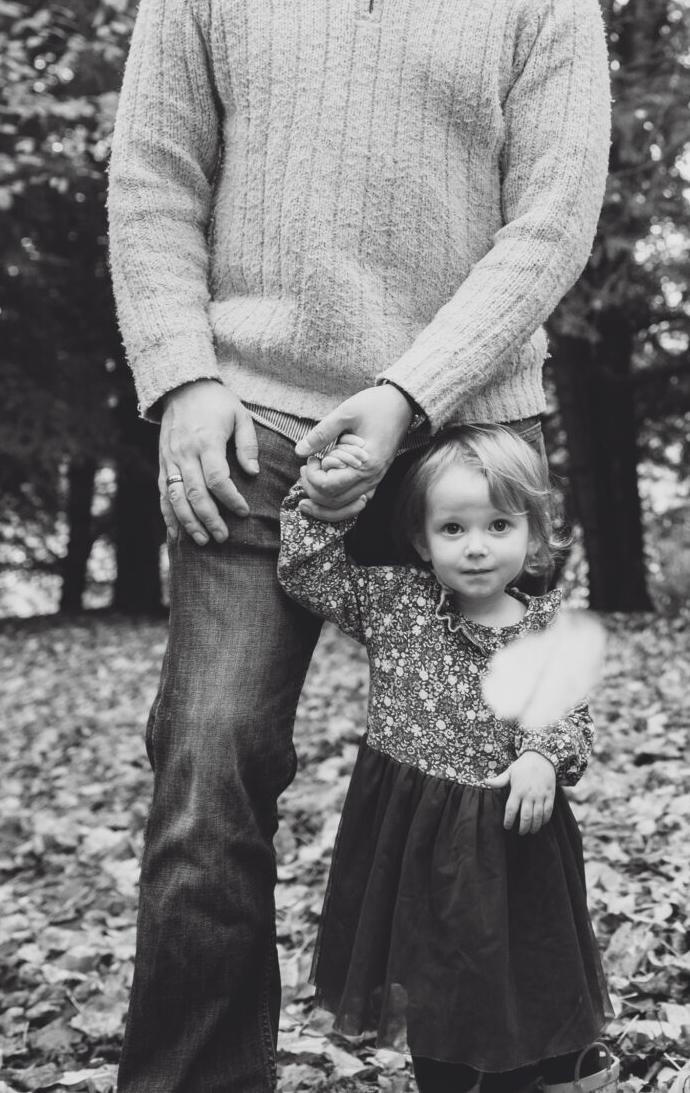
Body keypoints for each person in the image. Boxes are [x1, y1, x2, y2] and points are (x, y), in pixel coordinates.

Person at [106, 0, 613, 1093]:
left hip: (462, 453)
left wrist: (404, 397)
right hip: (248, 433)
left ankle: (495, 1069)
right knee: (207, 779)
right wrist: (182, 381)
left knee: (488, 792)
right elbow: (153, 179)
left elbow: (549, 227)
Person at [277, 424, 613, 1093]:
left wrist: (542, 757)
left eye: (498, 525)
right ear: (420, 539)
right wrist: (319, 497)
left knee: (520, 967)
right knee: (432, 972)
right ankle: (447, 1077)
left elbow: (570, 713)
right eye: (453, 529)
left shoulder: (545, 627)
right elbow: (309, 573)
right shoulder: (395, 603)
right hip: (413, 833)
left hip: (511, 839)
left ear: (532, 533)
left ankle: (546, 1067)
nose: (477, 546)